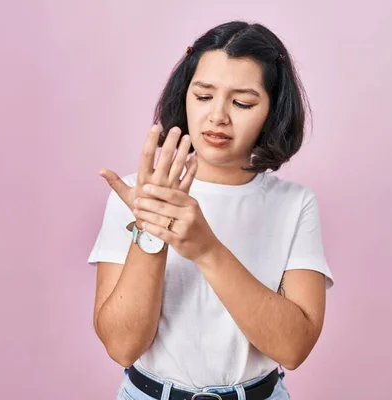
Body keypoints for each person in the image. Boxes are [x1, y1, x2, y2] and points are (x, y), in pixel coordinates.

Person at [87, 20, 334, 400]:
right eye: (203, 96)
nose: (218, 116)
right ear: (184, 96)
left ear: (272, 110)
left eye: (242, 102)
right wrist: (150, 230)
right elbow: (122, 347)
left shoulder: (294, 204)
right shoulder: (136, 193)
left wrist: (206, 248)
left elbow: (293, 349)